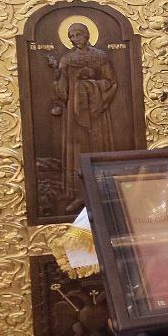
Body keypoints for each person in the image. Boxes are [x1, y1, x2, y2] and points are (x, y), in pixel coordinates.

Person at [47, 22, 117, 202]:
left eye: (78, 34)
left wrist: (91, 85)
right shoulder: (67, 59)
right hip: (74, 111)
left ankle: (105, 192)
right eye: (71, 36)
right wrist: (58, 72)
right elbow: (62, 90)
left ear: (86, 35)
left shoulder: (100, 56)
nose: (75, 39)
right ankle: (77, 193)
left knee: (97, 144)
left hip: (97, 109)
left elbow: (111, 82)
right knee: (77, 147)